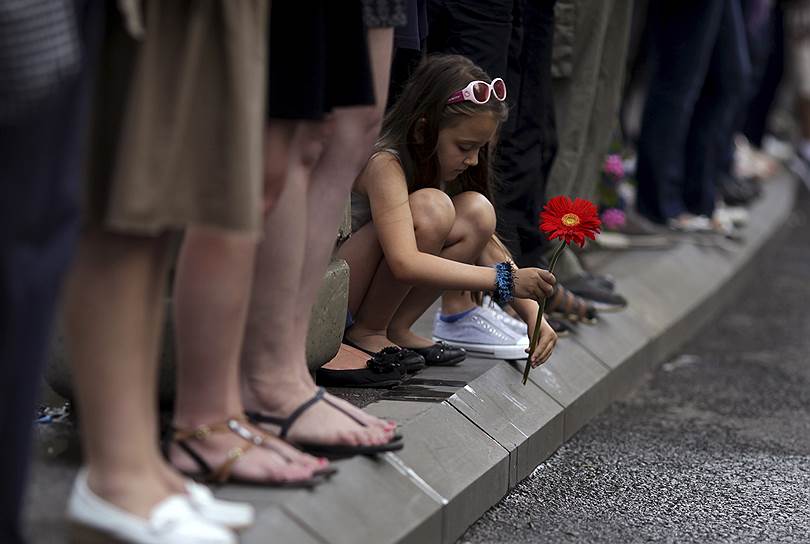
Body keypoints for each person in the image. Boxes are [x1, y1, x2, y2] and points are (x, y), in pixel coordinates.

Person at [316, 54, 558, 386]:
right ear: (422, 130)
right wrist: (503, 281)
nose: (473, 160)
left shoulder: (435, 158)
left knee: (477, 211)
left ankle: (394, 328)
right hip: (329, 298)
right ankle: (369, 331)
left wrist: (533, 312)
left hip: (356, 292)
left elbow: (486, 243)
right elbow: (404, 263)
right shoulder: (385, 162)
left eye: (479, 149)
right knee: (432, 209)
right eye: (465, 147)